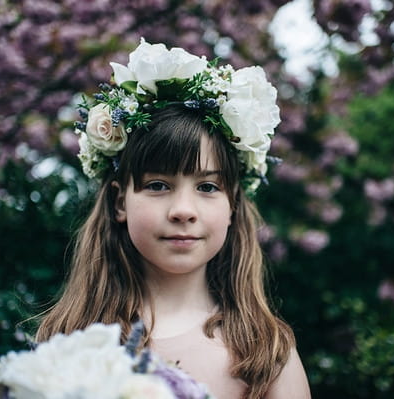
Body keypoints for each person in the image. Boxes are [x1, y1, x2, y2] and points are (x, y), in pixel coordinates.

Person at [35, 39, 311, 399]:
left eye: (208, 186)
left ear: (233, 205)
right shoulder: (68, 342)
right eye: (159, 185)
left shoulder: (265, 352)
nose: (183, 210)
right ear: (120, 201)